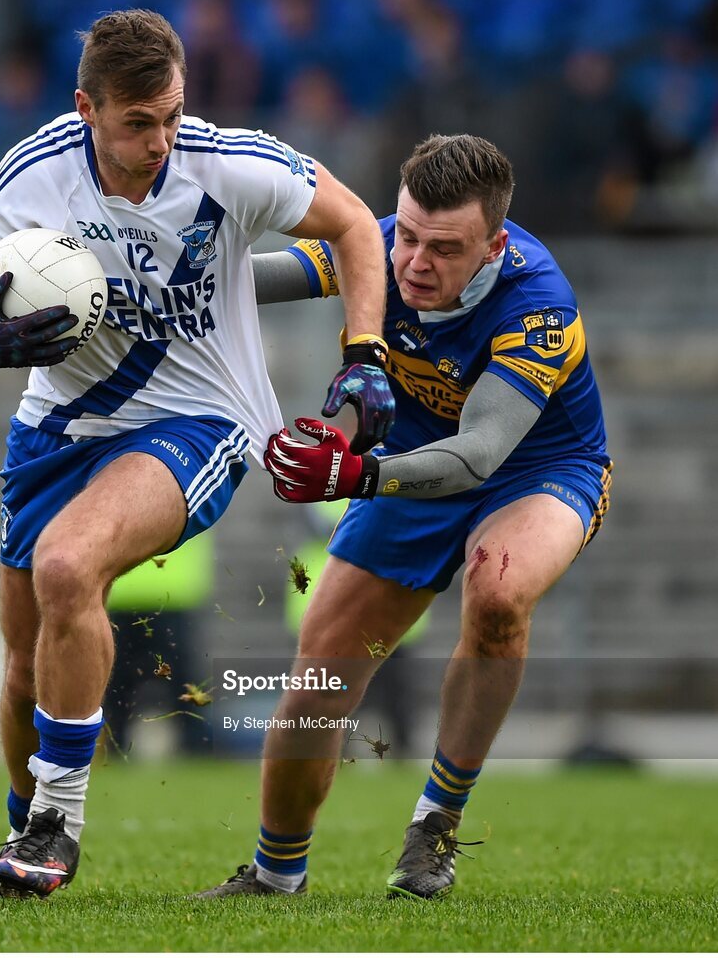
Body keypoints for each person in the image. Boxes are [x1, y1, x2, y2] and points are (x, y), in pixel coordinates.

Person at [0, 8, 394, 900]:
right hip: (58, 428)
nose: (161, 140)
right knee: (25, 664)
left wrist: (364, 355)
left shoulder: (231, 166)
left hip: (198, 417)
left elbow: (356, 227)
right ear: (85, 110)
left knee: (70, 568)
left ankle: (57, 831)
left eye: (172, 115)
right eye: (137, 123)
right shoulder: (33, 174)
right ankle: (25, 837)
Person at [196, 133, 612, 900]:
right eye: (408, 235)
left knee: (497, 593)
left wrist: (355, 473)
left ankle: (435, 827)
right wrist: (152, 272)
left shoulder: (540, 307)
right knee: (320, 676)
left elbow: (481, 453)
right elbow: (249, 282)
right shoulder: (381, 246)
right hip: (414, 458)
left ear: (493, 245)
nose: (414, 262)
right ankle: (275, 873)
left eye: (443, 249)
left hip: (536, 471)